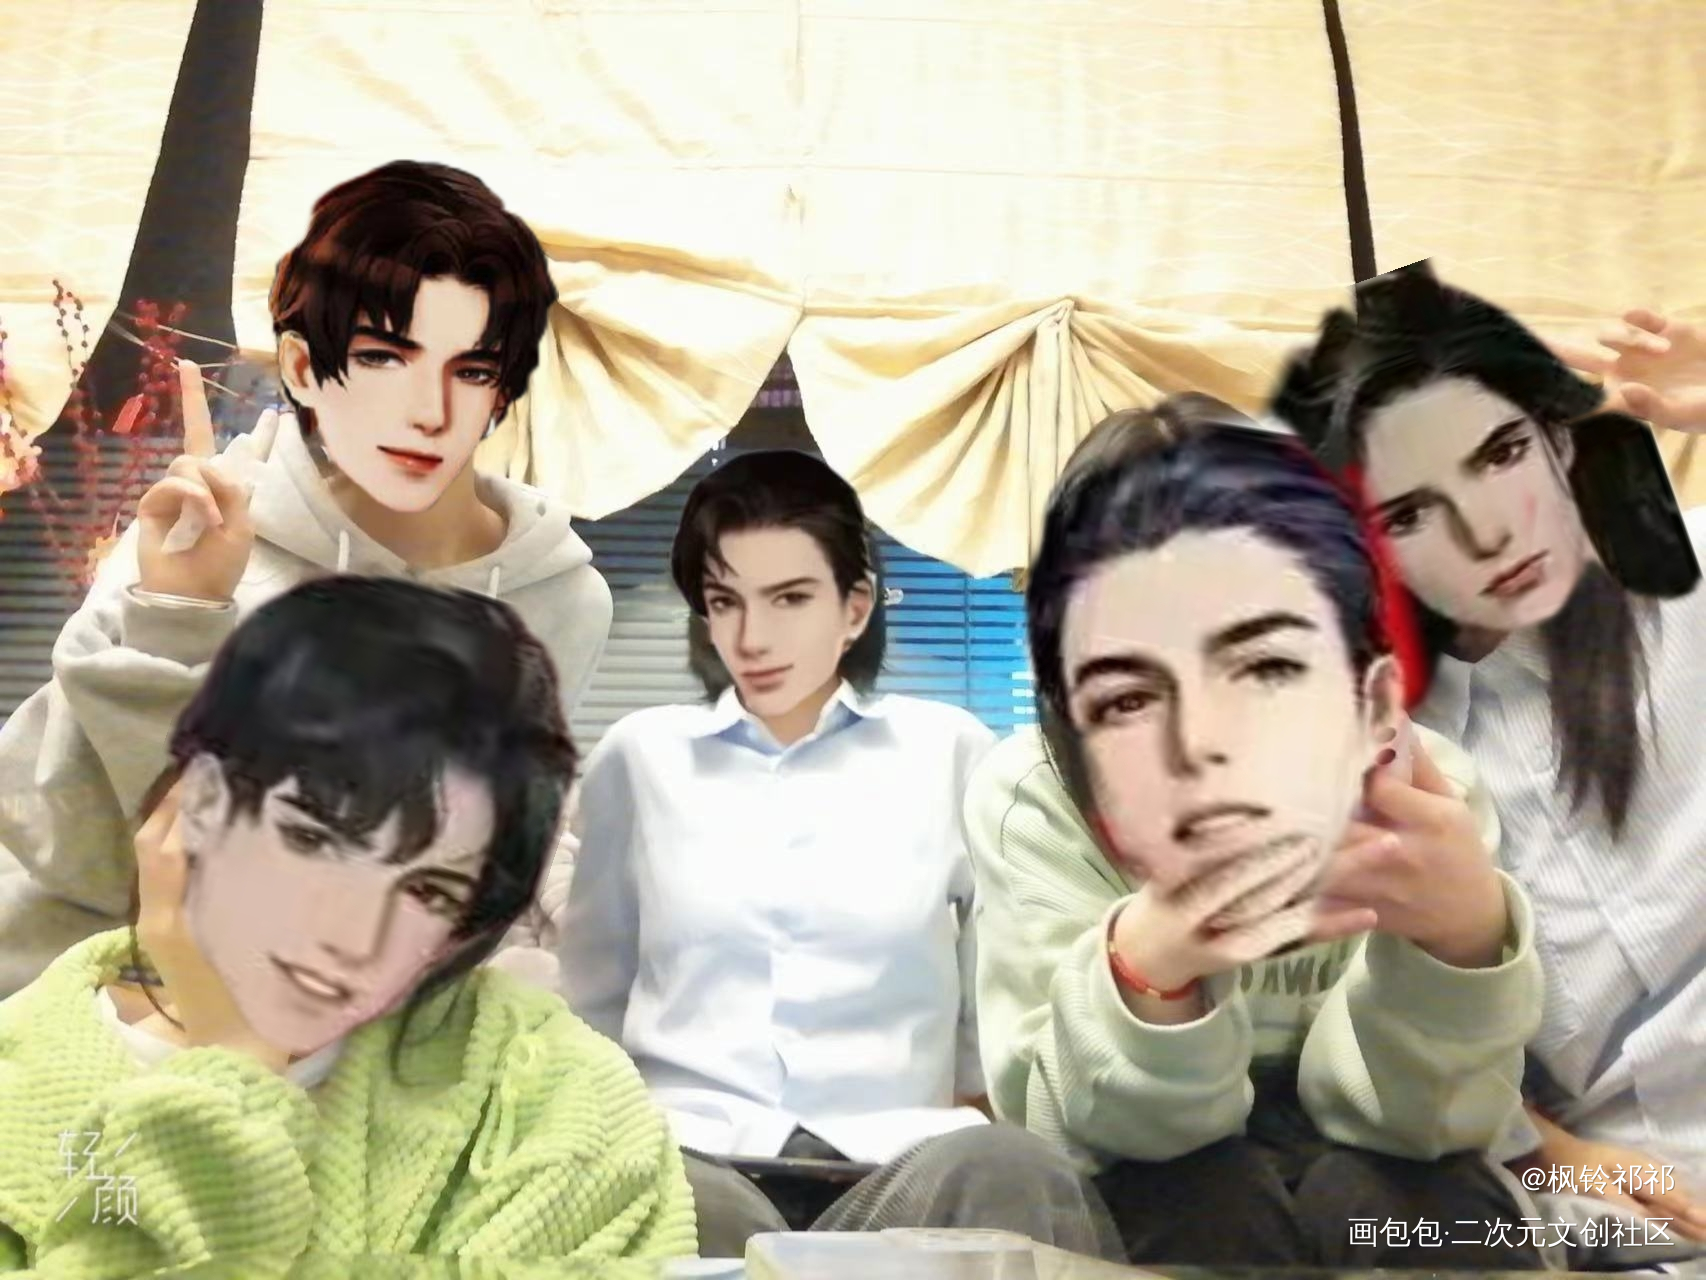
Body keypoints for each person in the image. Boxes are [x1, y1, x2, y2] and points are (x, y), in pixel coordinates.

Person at [0, 160, 612, 994]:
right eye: (383, 358)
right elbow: (70, 846)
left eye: (471, 370)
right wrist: (178, 615)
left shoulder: (560, 599)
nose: (429, 413)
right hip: (93, 994)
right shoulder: (188, 541)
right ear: (300, 367)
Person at [965, 394, 1546, 1269]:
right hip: (1153, 1186)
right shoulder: (1037, 796)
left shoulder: (1426, 793)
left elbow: (1417, 1127)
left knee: (1420, 1195)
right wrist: (1150, 965)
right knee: (1199, 1198)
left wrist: (1460, 950)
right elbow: (1060, 1130)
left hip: (1386, 1174)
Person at [0, 577, 694, 1278]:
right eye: (313, 840)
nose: (352, 936)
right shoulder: (16, 1085)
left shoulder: (560, 1099)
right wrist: (230, 1076)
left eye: (428, 890)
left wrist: (235, 1058)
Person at [558, 450, 1120, 1260]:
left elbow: (989, 995)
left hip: (896, 1159)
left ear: (854, 608)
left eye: (789, 598)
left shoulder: (948, 752)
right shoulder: (639, 757)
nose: (752, 638)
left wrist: (975, 1097)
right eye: (725, 601)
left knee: (1009, 1168)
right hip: (694, 1155)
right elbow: (594, 997)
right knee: (660, 1199)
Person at [1272, 264, 1706, 1253]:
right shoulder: (1376, 753)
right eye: (1409, 511)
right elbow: (1388, 1048)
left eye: (1500, 453)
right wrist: (1551, 1151)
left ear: (1560, 436)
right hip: (1611, 1227)